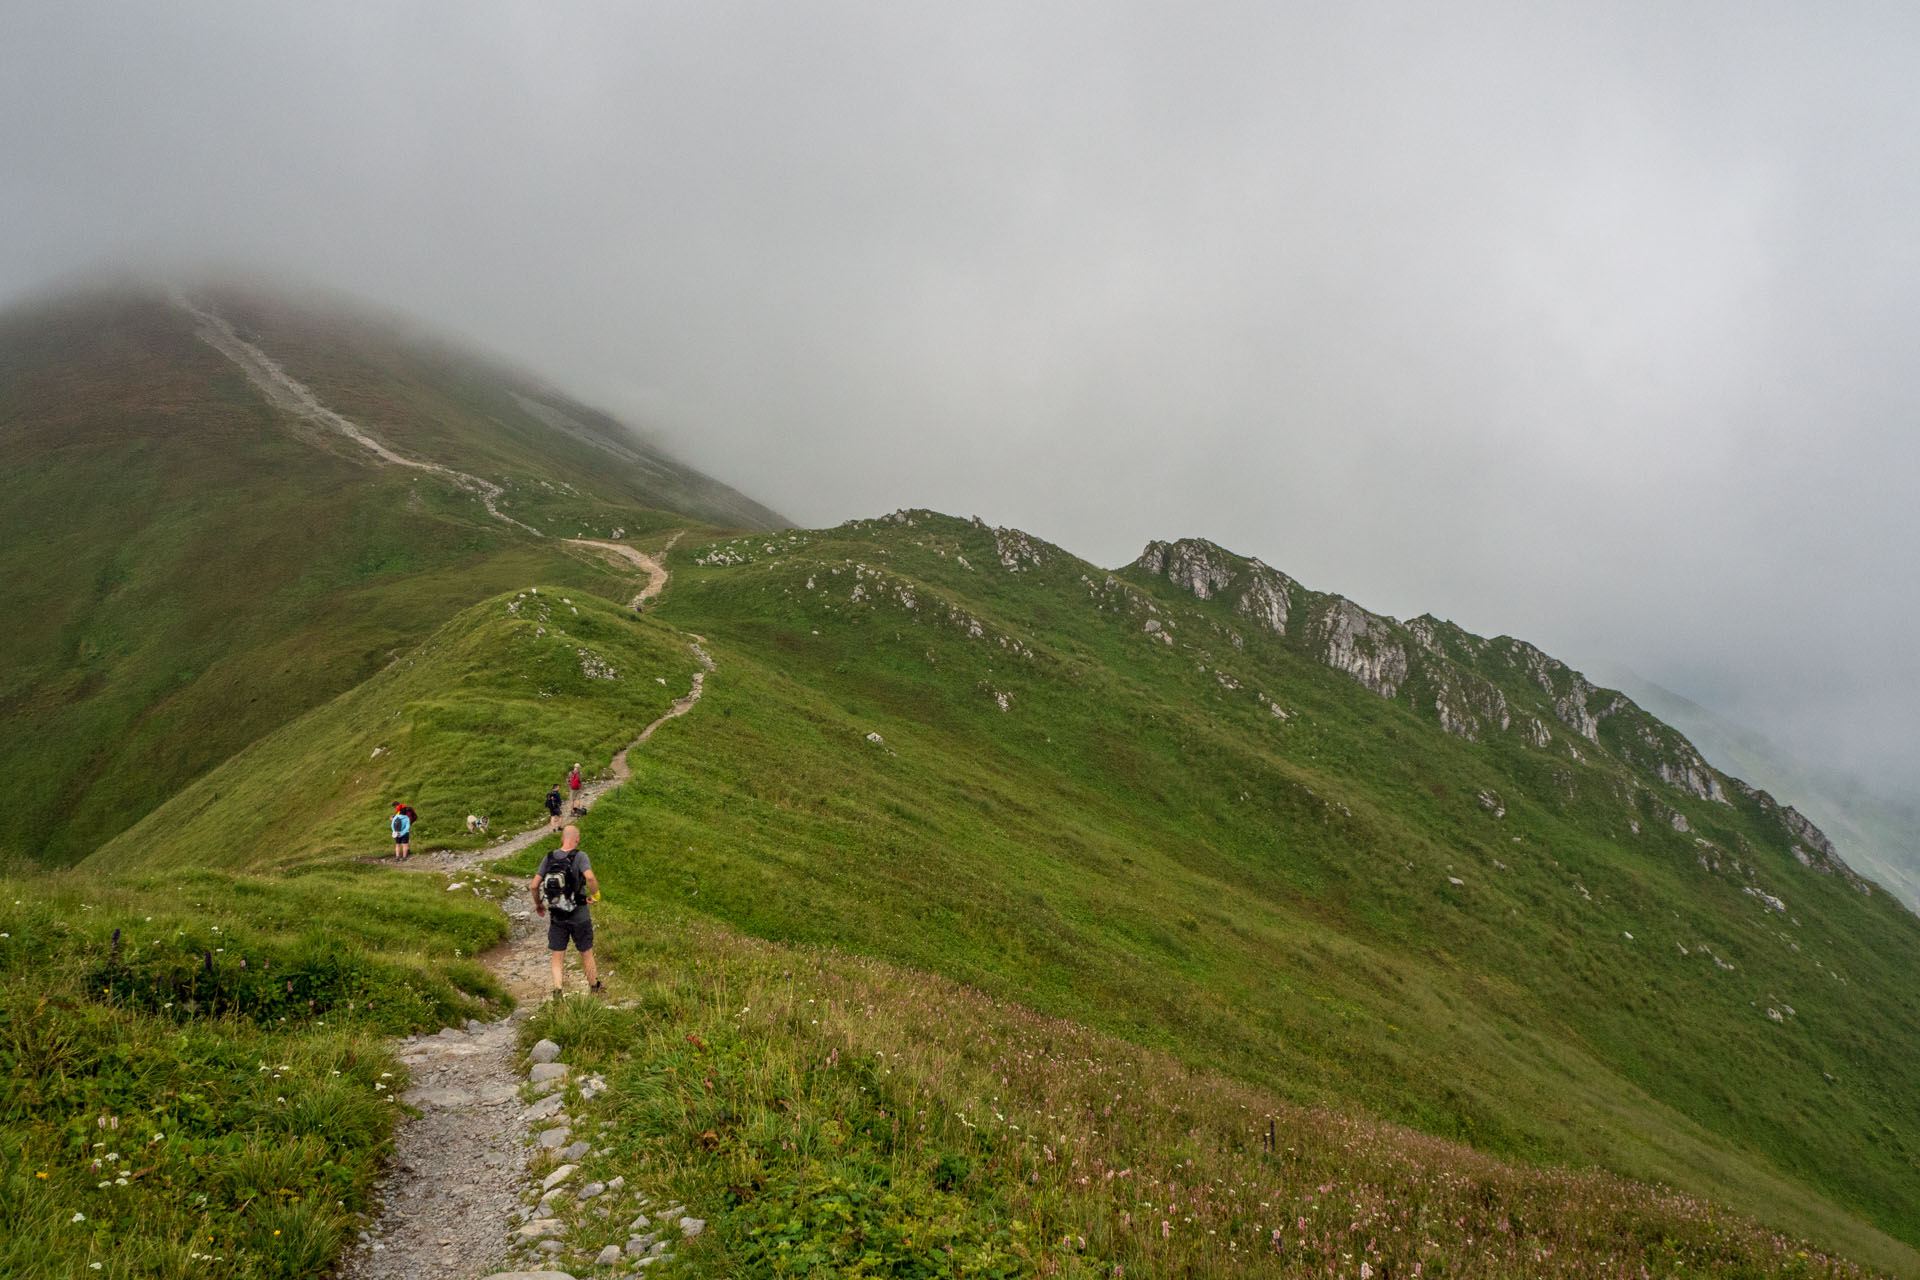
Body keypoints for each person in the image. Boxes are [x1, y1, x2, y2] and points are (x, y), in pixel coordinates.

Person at [531, 824, 601, 995]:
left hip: (557, 915)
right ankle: (594, 988)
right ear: (577, 840)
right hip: (579, 914)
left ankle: (558, 991)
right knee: (586, 952)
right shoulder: (580, 856)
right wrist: (596, 895)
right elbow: (590, 877)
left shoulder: (549, 857)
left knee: (557, 955)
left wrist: (539, 904)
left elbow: (534, 885)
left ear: (562, 838)